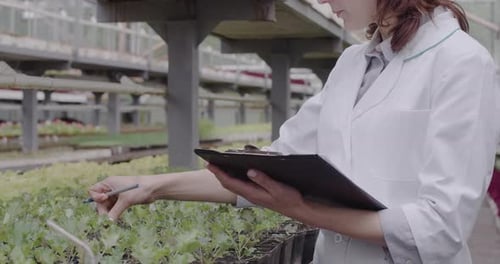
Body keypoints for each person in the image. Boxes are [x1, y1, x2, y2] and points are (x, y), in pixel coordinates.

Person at [88, 0, 500, 263]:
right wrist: (150, 186)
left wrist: (300, 209)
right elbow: (273, 166)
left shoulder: (461, 62)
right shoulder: (354, 63)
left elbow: (439, 230)